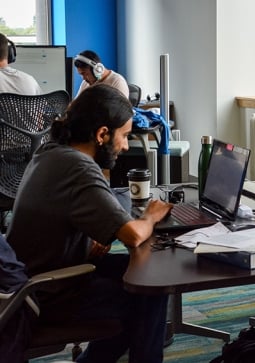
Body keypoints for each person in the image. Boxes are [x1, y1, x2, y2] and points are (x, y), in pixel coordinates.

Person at [7, 83, 173, 363]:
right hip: (45, 292)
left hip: (34, 277)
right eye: (124, 136)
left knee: (141, 275)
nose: (124, 146)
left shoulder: (52, 151)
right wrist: (152, 215)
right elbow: (132, 235)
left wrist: (84, 244)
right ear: (102, 134)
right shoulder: (78, 166)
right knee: (150, 288)